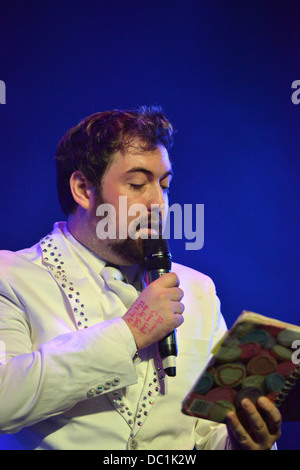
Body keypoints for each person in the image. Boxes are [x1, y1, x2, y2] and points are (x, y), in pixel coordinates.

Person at [0, 106, 281, 450]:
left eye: (165, 184)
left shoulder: (198, 289)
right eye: (137, 184)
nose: (159, 203)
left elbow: (207, 432)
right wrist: (130, 332)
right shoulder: (12, 276)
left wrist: (240, 442)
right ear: (84, 189)